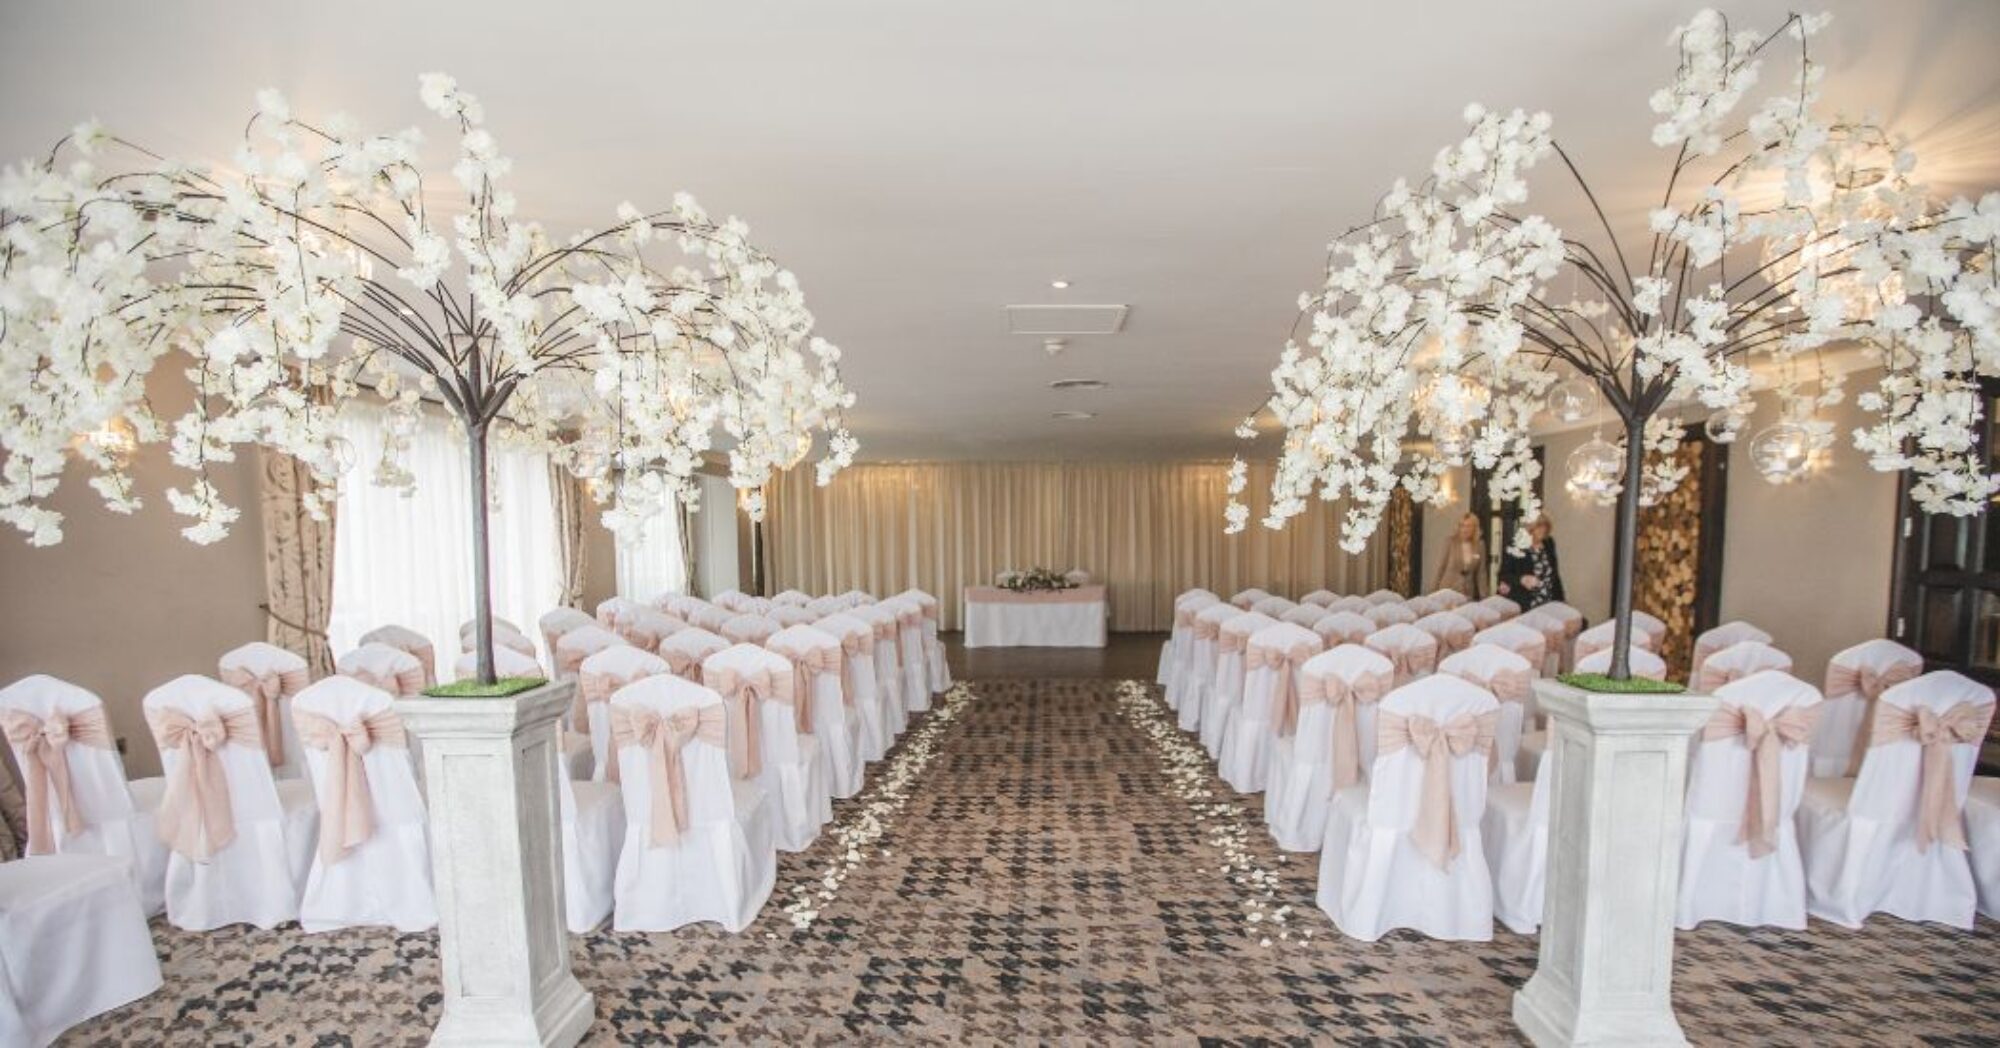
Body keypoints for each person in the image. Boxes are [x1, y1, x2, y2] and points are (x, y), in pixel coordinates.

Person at [1498, 514, 1564, 611]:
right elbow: (1504, 575)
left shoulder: (1549, 543)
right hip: (1527, 599)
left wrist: (1561, 600)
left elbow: (1555, 574)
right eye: (1539, 527)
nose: (1542, 531)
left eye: (1545, 527)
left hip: (1549, 598)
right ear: (1530, 529)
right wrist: (1522, 579)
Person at [1431, 513, 1486, 598]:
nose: (1465, 529)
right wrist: (1433, 591)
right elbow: (1440, 568)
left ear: (1475, 528)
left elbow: (1481, 573)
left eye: (1468, 526)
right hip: (1448, 589)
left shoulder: (1480, 545)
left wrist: (1484, 597)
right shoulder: (1450, 542)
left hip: (1467, 592)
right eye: (1462, 526)